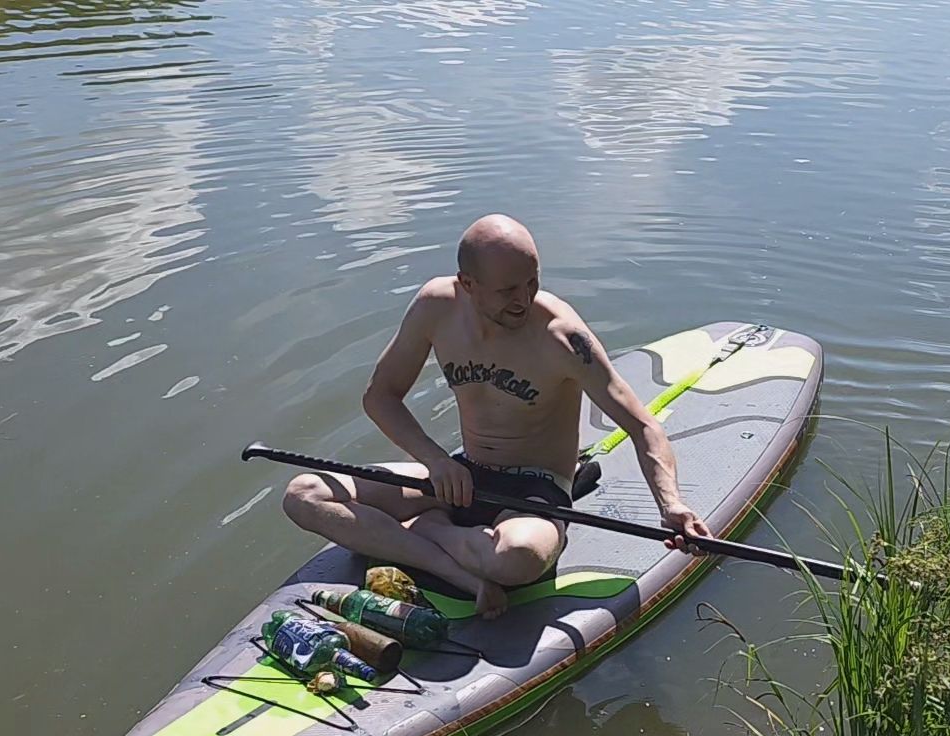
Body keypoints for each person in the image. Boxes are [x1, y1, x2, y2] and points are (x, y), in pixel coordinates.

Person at [282, 214, 711, 619]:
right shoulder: (436, 307)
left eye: (532, 282)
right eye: (508, 290)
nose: (524, 299)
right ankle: (451, 563)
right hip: (461, 476)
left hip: (533, 492)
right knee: (305, 494)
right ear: (467, 284)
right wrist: (436, 460)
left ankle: (428, 533)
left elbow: (641, 426)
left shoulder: (561, 336)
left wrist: (671, 505)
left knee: (516, 559)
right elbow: (381, 396)